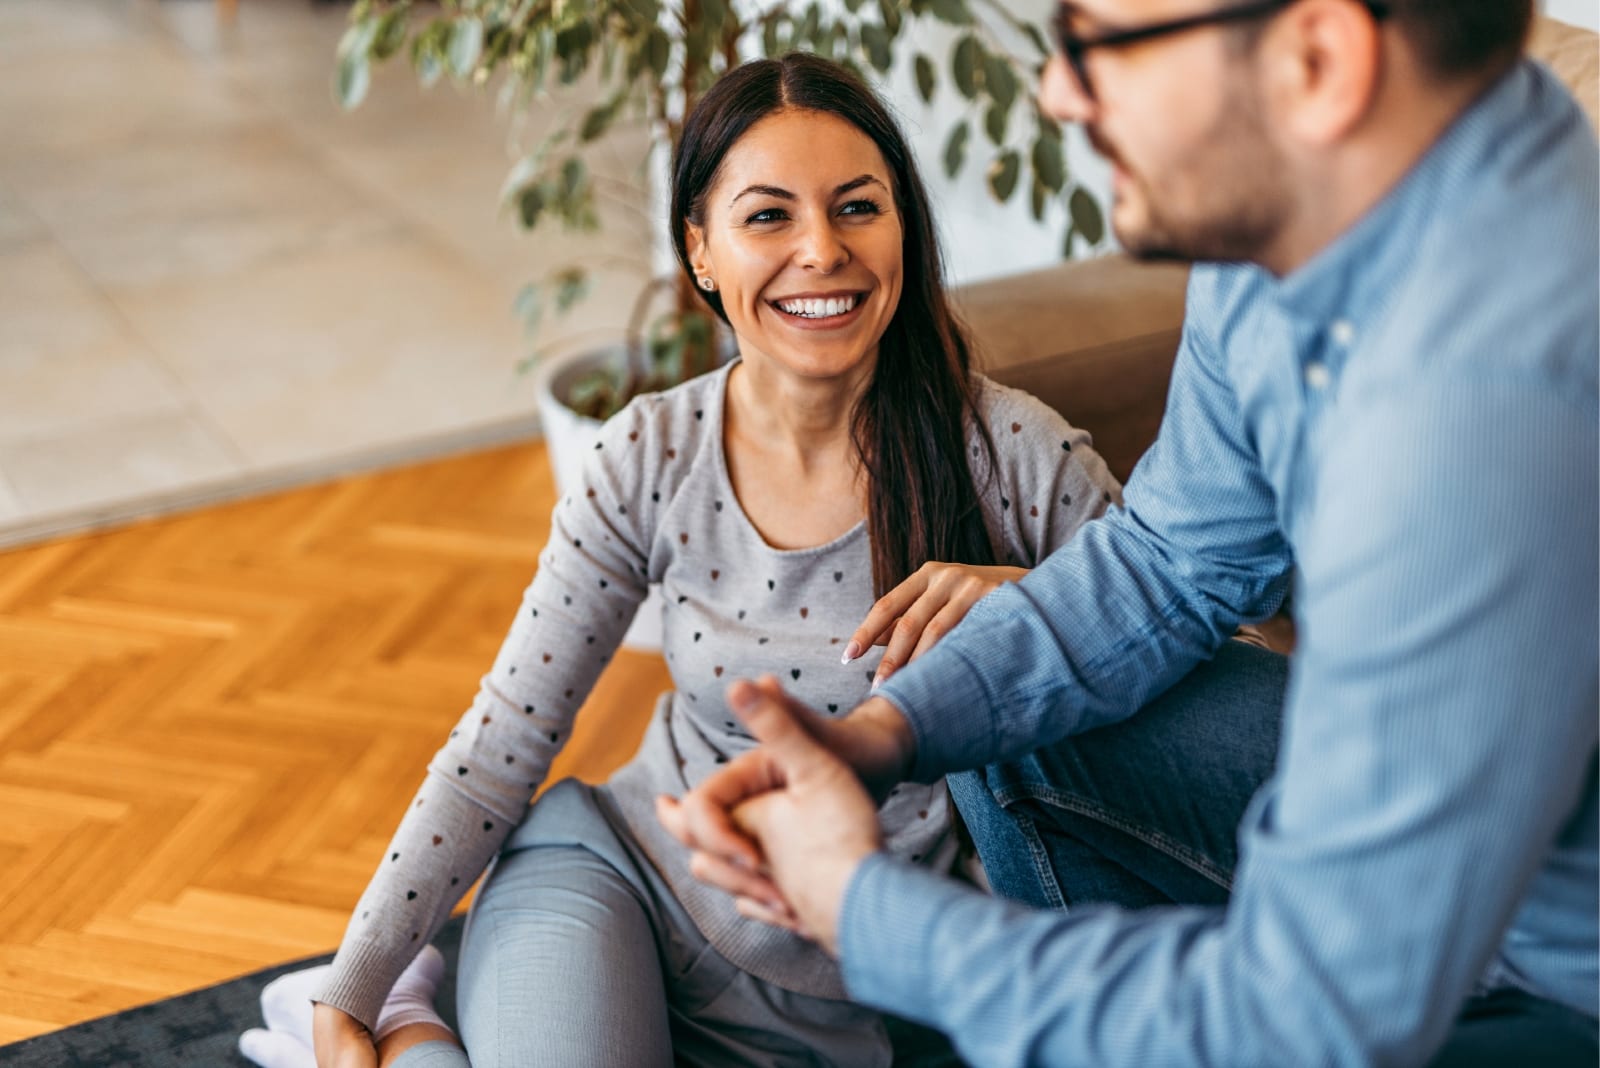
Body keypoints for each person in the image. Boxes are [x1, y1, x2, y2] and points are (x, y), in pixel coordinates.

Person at [661, 2, 1599, 1065]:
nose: (1058, 92)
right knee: (1003, 702)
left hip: (1556, 990)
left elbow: (1314, 1005)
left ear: (1320, 59)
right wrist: (885, 735)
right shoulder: (1291, 228)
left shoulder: (1488, 406)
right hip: (1449, 860)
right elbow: (1171, 562)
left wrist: (860, 909)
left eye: (1099, 41)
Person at [238, 52, 1121, 1068]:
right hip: (629, 893)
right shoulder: (647, 457)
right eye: (767, 217)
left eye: (857, 208)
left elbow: (1205, 663)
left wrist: (1032, 600)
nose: (821, 251)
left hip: (893, 977)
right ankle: (399, 1020)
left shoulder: (1011, 451)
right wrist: (352, 990)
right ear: (700, 250)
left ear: (903, 229)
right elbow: (502, 743)